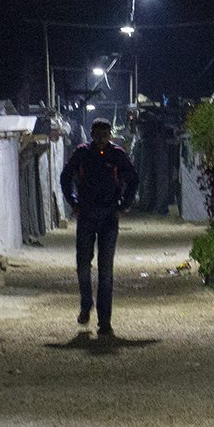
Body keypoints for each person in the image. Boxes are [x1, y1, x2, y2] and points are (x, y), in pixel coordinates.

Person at [60, 119, 139, 336]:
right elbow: (65, 177)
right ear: (93, 135)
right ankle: (86, 304)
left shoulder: (117, 155)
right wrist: (73, 202)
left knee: (106, 271)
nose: (102, 140)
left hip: (108, 218)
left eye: (105, 135)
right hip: (86, 215)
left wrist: (124, 205)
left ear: (110, 135)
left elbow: (133, 179)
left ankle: (105, 321)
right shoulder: (83, 153)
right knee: (83, 266)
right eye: (98, 135)